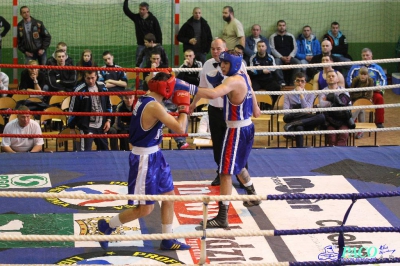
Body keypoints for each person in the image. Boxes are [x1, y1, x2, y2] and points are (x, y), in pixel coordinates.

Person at [97, 72, 191, 251]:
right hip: (144, 159)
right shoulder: (154, 106)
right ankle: (107, 226)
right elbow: (180, 128)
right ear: (165, 88)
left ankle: (167, 239)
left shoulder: (146, 97)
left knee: (169, 197)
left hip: (155, 155)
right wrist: (184, 107)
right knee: (145, 209)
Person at [191, 50, 261, 228]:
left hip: (236, 130)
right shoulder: (244, 76)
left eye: (226, 63)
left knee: (225, 172)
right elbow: (257, 112)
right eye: (221, 63)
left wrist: (185, 86)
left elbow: (214, 95)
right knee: (237, 164)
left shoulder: (233, 80)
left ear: (234, 64)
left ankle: (222, 216)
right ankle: (252, 194)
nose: (222, 66)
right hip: (247, 127)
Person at [144, 51, 190, 149]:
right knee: (169, 115)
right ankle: (176, 139)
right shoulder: (149, 72)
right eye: (154, 59)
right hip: (157, 104)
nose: (156, 61)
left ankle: (180, 140)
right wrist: (152, 70)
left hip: (169, 103)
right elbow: (149, 83)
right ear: (150, 59)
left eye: (157, 58)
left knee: (181, 115)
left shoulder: (167, 73)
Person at [68, 71, 112, 151]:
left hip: (101, 125)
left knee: (105, 152)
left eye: (92, 78)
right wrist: (72, 127)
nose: (90, 81)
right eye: (88, 78)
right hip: (86, 127)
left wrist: (108, 120)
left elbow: (108, 104)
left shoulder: (103, 87)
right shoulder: (79, 90)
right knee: (85, 153)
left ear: (96, 77)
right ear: (84, 77)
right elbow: (72, 109)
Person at [346, 48, 386, 128]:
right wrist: (354, 88)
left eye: (367, 55)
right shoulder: (355, 67)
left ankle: (379, 122)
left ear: (371, 56)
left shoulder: (377, 68)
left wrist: (380, 87)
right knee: (352, 101)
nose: (365, 57)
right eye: (363, 55)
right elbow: (348, 78)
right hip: (358, 92)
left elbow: (383, 79)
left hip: (372, 92)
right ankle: (354, 122)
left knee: (379, 98)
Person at [283, 72, 325, 147]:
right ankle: (300, 150)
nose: (300, 83)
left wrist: (301, 95)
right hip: (295, 118)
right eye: (298, 81)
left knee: (321, 117)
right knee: (299, 128)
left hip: (307, 121)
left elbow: (307, 110)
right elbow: (286, 111)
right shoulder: (288, 94)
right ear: (294, 82)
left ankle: (292, 125)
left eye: (302, 81)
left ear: (305, 83)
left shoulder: (310, 94)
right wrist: (300, 112)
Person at [316, 70, 352, 146]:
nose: (331, 78)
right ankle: (333, 155)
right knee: (332, 137)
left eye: (333, 76)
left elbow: (348, 104)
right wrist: (338, 102)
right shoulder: (322, 92)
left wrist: (330, 100)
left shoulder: (344, 91)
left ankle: (340, 154)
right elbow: (323, 104)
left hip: (343, 119)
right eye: (329, 76)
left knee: (344, 135)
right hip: (329, 119)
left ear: (337, 79)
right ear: (326, 79)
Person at [123, 0, 162, 64]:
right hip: (141, 45)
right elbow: (127, 11)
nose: (141, 11)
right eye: (140, 9)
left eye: (143, 9)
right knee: (139, 64)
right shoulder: (137, 18)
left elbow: (158, 32)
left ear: (147, 10)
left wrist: (159, 44)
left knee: (152, 63)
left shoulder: (153, 19)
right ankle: (138, 74)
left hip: (151, 45)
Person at [248, 40, 281, 105]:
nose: (261, 48)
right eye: (259, 46)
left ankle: (270, 105)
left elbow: (274, 68)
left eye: (263, 46)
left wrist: (260, 68)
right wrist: (262, 71)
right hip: (256, 80)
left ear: (266, 47)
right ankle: (254, 106)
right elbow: (251, 70)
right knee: (249, 89)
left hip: (268, 80)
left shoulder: (270, 57)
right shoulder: (253, 58)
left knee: (277, 87)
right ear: (257, 48)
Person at [269, 20, 301, 86]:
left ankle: (293, 82)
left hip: (290, 57)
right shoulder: (273, 37)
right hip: (279, 58)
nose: (282, 27)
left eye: (283, 25)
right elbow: (272, 49)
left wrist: (290, 56)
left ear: (285, 26)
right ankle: (281, 82)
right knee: (276, 63)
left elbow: (295, 48)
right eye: (280, 25)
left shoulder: (291, 36)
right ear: (277, 27)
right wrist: (281, 57)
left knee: (298, 63)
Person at [349, 67, 374, 139]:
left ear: (367, 75)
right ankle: (361, 130)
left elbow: (370, 94)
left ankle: (351, 121)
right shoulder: (355, 80)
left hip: (365, 100)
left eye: (365, 74)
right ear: (358, 74)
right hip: (355, 99)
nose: (363, 76)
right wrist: (362, 95)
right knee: (360, 108)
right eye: (361, 74)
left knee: (360, 105)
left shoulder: (370, 81)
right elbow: (351, 94)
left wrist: (361, 96)